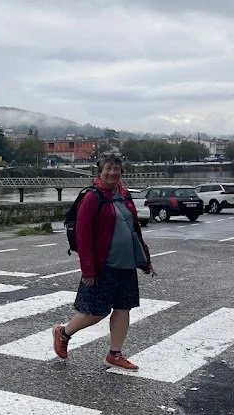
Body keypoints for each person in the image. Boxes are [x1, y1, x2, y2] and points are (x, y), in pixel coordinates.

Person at [52, 154, 156, 370]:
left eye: (116, 168)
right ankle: (63, 333)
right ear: (99, 172)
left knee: (123, 307)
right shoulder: (93, 197)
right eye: (108, 168)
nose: (112, 172)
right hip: (103, 266)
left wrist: (144, 259)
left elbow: (134, 229)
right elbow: (83, 235)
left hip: (126, 264)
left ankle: (115, 354)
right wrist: (88, 270)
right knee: (95, 312)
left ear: (121, 172)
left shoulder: (125, 196)